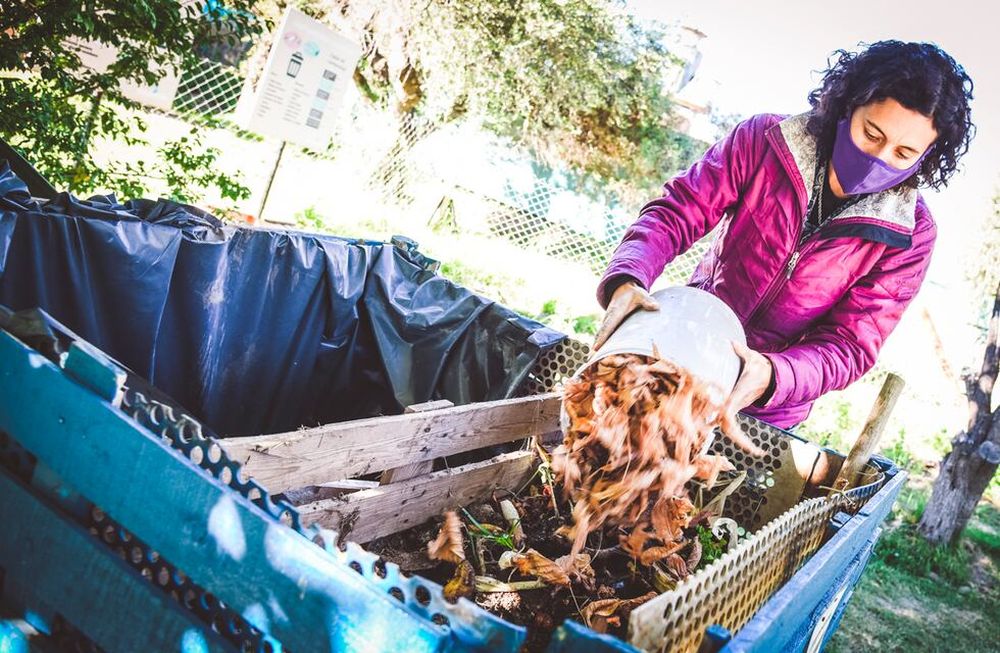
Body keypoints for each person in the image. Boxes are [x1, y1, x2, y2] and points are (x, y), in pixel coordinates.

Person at [593, 40, 974, 430]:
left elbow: (850, 345)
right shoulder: (765, 141)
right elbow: (677, 212)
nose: (880, 158)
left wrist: (775, 375)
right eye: (871, 134)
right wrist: (628, 277)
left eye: (904, 153)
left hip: (765, 409)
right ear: (847, 105)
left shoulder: (910, 235)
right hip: (685, 350)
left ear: (927, 156)